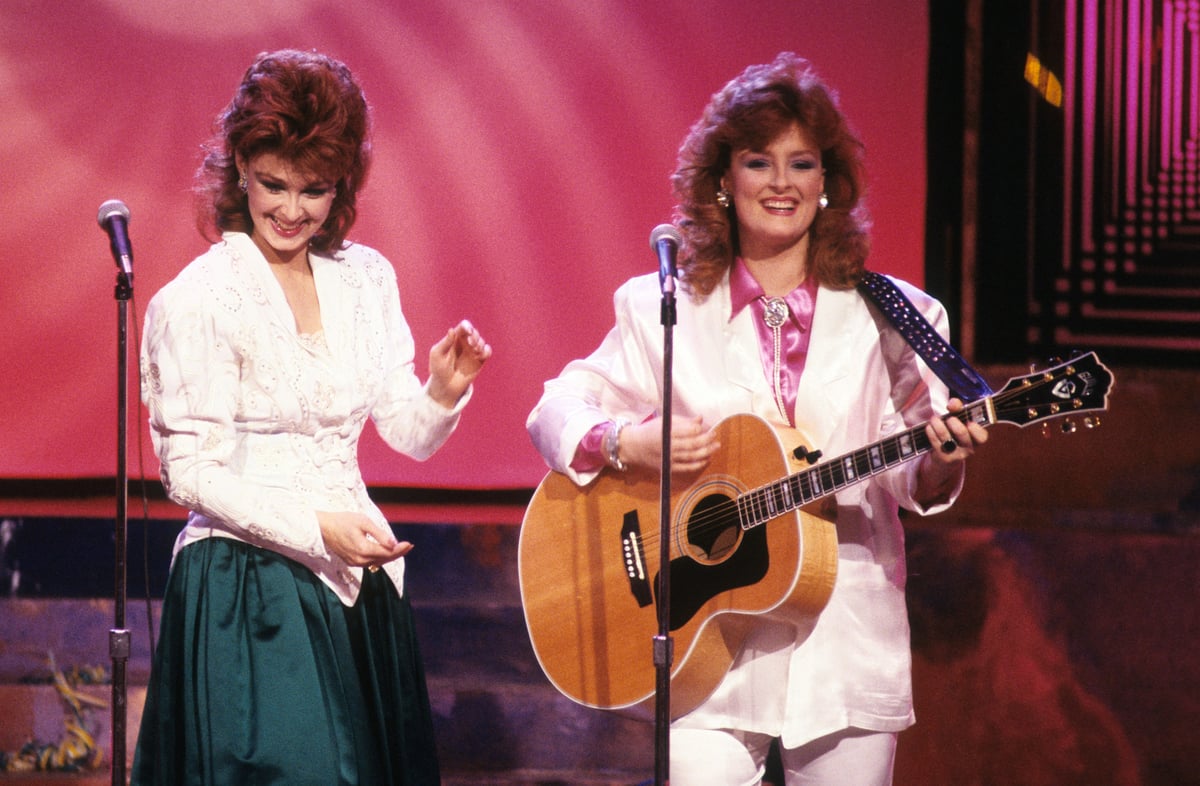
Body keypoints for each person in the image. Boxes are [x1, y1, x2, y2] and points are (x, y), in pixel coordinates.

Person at [526, 52, 986, 785]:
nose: (780, 184)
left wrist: (942, 458)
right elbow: (554, 409)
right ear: (722, 180)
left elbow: (909, 474)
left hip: (845, 641)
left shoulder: (899, 315)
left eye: (802, 164)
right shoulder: (660, 307)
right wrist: (623, 443)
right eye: (757, 161)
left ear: (827, 185)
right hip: (708, 647)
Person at [132, 49, 491, 785]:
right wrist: (313, 530)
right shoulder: (200, 299)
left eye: (314, 190)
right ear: (238, 164)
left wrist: (443, 390)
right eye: (274, 185)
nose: (292, 210)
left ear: (342, 186)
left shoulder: (365, 278)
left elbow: (404, 432)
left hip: (358, 589)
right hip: (246, 587)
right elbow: (190, 471)